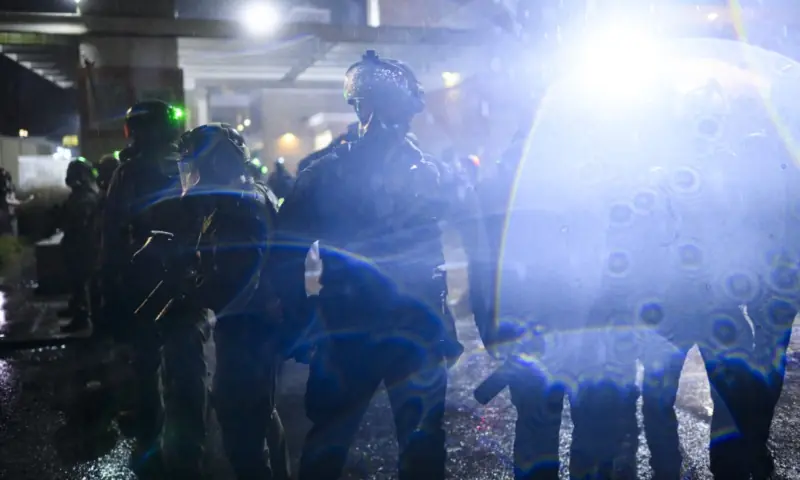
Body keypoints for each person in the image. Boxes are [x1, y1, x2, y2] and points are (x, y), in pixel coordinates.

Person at [274, 50, 492, 480]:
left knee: (345, 442)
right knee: (413, 443)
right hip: (401, 328)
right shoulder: (427, 174)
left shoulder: (327, 173)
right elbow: (479, 241)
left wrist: (300, 320)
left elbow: (282, 252)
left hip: (357, 329)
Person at [177, 123, 290, 480]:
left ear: (216, 165)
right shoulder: (250, 194)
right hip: (258, 322)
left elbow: (237, 277)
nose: (193, 176)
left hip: (247, 325)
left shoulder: (235, 207)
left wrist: (190, 293)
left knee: (238, 419)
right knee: (261, 411)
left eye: (199, 165)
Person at [99, 99, 184, 475]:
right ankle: (181, 444)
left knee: (149, 359)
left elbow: (113, 230)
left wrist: (110, 278)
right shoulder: (184, 164)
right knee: (182, 361)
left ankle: (156, 439)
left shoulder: (129, 172)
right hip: (180, 275)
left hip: (145, 276)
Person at [59, 158, 100, 333]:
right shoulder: (82, 194)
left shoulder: (86, 196)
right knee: (78, 282)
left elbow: (81, 222)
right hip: (78, 245)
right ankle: (79, 311)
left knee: (83, 283)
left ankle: (82, 317)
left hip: (83, 246)